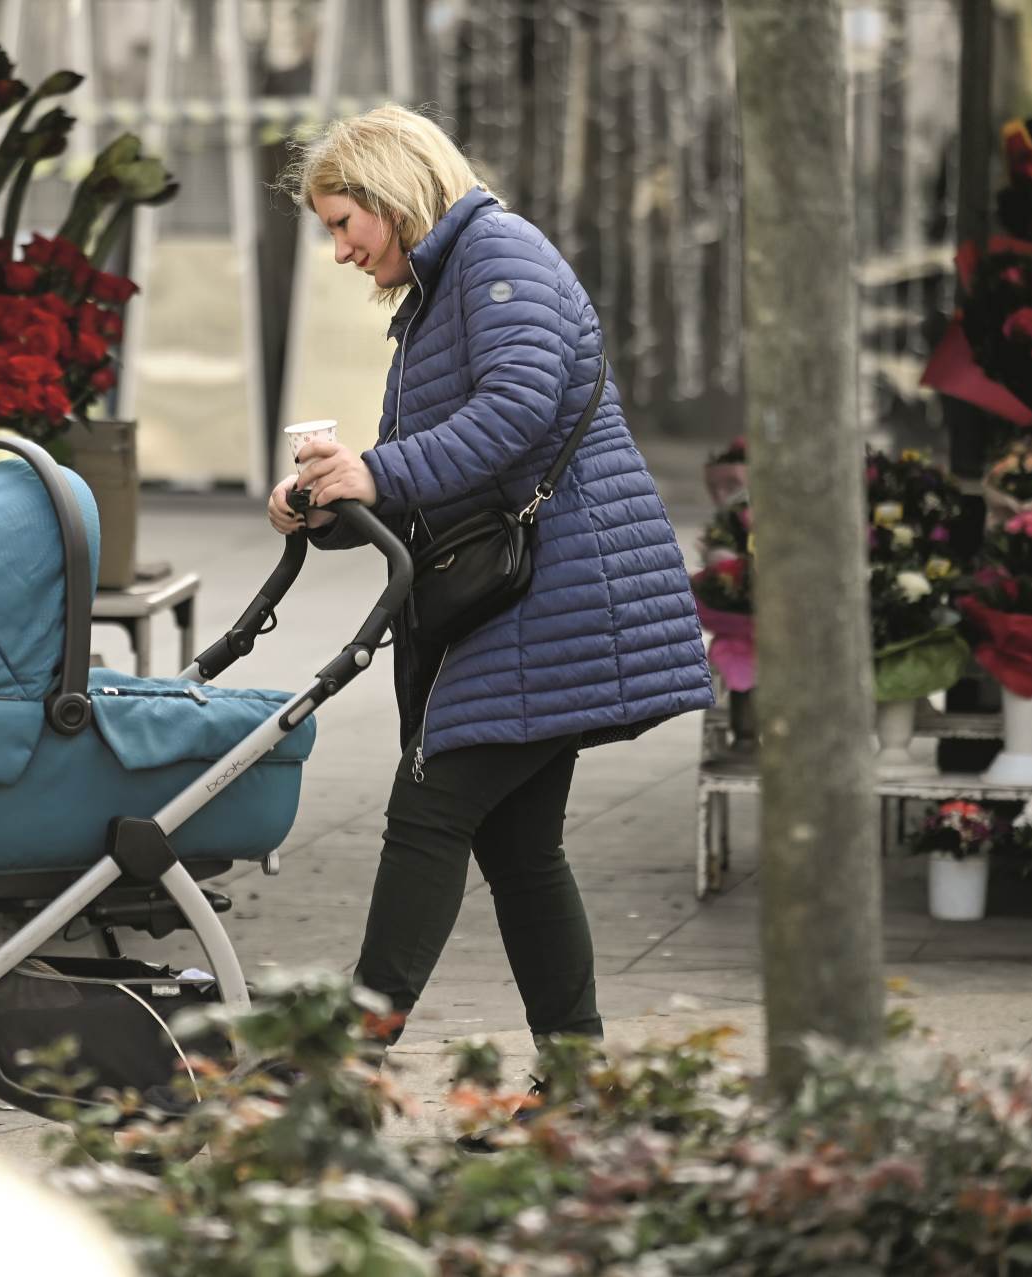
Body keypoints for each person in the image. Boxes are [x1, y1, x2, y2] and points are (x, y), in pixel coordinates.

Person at [268, 105, 713, 1055]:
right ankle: (579, 1086)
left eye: (344, 223)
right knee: (519, 849)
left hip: (553, 595)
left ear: (394, 194)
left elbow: (515, 411)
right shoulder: (445, 284)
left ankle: (339, 1071)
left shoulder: (497, 257)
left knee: (427, 812)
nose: (340, 251)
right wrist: (329, 506)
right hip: (534, 597)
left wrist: (376, 472)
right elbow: (441, 469)